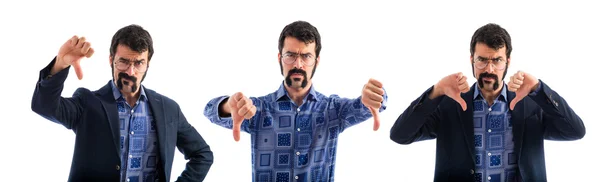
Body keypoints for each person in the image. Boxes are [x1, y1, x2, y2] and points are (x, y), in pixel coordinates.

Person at [389, 23, 586, 182]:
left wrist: (539, 89)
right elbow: (400, 135)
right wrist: (436, 92)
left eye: (497, 61)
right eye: (482, 60)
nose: (489, 69)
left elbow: (575, 131)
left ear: (508, 62)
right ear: (471, 60)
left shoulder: (530, 104)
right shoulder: (450, 104)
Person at [203, 20, 387, 182]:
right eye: (290, 55)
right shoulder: (258, 110)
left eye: (306, 56)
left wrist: (375, 96)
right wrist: (227, 106)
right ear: (280, 58)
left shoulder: (333, 110)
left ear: (316, 61)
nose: (298, 65)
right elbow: (209, 110)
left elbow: (369, 105)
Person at [31, 24, 213, 182]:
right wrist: (60, 64)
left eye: (139, 63)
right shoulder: (87, 102)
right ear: (111, 60)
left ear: (148, 63)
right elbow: (43, 105)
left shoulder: (168, 109)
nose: (131, 72)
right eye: (123, 62)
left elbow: (202, 154)